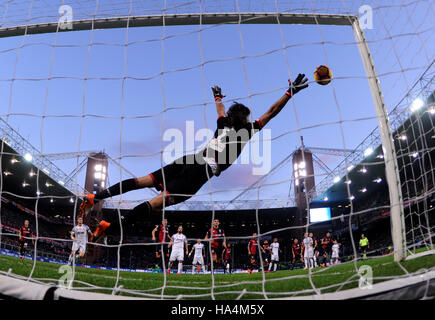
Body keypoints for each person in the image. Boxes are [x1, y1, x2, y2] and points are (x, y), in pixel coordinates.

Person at [80, 75, 309, 240]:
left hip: (188, 160)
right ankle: (107, 228)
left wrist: (218, 96)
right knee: (157, 203)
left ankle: (94, 196)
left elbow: (220, 110)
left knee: (142, 180)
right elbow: (271, 112)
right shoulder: (247, 130)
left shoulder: (223, 124)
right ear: (245, 119)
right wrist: (289, 93)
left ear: (231, 116)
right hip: (200, 172)